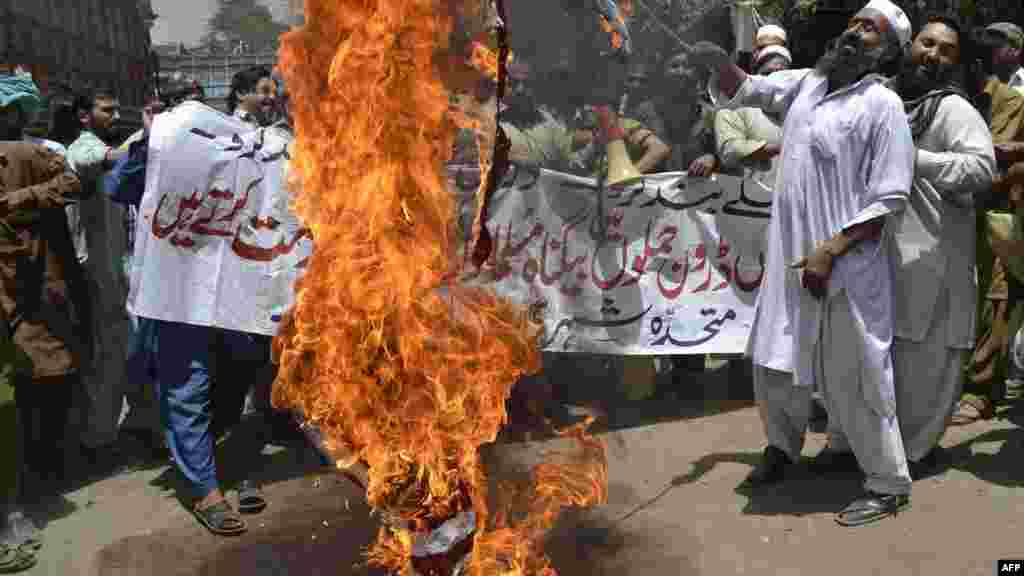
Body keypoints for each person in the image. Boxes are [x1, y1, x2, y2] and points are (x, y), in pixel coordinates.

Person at [690, 0, 916, 526]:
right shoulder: (807, 84)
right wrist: (719, 61)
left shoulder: (883, 105)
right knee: (774, 361)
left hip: (846, 265)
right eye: (856, 23)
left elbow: (889, 198)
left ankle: (887, 482)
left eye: (872, 30)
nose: (856, 33)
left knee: (856, 372)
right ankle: (782, 448)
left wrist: (830, 250)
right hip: (791, 257)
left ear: (887, 52)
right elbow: (749, 88)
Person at [885, 14, 995, 475]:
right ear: (910, 45)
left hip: (933, 252)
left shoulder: (952, 109)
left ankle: (917, 451)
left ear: (956, 62)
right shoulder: (882, 100)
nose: (932, 53)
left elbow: (981, 169)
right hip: (878, 253)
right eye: (926, 43)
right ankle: (875, 449)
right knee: (881, 359)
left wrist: (914, 158)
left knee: (926, 361)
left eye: (945, 49)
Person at [0, 71, 84, 571]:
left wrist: (16, 202)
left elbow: (73, 183)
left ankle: (24, 492)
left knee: (30, 391)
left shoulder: (28, 154)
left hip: (25, 290)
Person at [955, 26, 1024, 423]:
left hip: (1000, 215)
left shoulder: (1012, 102)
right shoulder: (943, 100)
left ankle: (981, 389)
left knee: (995, 302)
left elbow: (992, 165)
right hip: (949, 213)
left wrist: (1005, 156)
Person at [67, 88, 138, 463]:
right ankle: (97, 438)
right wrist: (143, 139)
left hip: (121, 268)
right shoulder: (82, 148)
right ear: (84, 116)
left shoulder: (111, 150)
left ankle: (132, 426)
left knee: (132, 348)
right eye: (106, 110)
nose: (114, 115)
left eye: (116, 109)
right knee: (106, 353)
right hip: (99, 270)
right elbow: (102, 158)